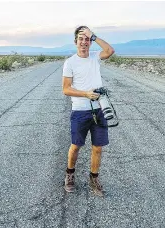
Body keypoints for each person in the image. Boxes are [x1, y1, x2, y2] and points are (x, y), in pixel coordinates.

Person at [62, 26, 115, 196]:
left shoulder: (94, 57)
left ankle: (94, 179)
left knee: (98, 148)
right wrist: (85, 94)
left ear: (90, 42)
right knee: (76, 146)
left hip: (99, 109)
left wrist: (94, 35)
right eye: (81, 39)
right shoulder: (70, 63)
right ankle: (69, 175)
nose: (84, 42)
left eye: (87, 39)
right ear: (75, 41)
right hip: (80, 111)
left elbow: (110, 50)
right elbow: (66, 89)